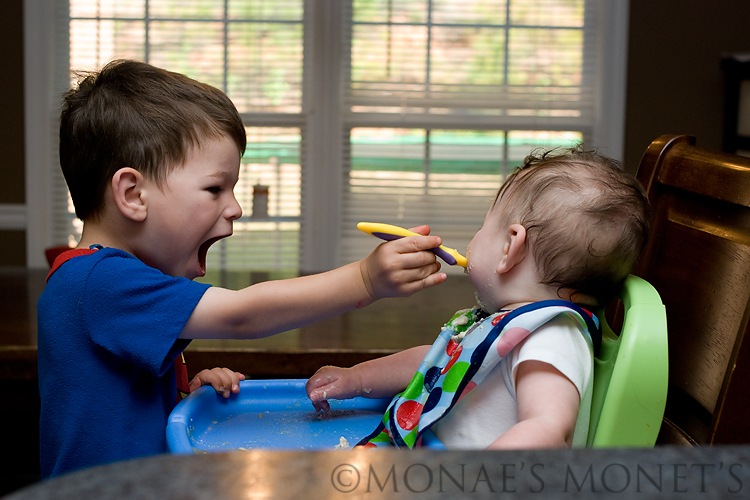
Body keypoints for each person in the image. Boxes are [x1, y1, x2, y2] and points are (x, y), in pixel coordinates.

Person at [38, 59, 447, 478]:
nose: (234, 208)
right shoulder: (97, 282)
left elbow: (117, 412)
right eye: (215, 188)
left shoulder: (105, 283)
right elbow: (243, 313)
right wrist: (366, 279)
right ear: (132, 193)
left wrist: (185, 396)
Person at [306, 147, 650, 449]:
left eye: (484, 226)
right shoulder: (501, 323)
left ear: (509, 247)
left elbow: (547, 429)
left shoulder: (551, 337)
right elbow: (434, 363)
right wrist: (357, 379)